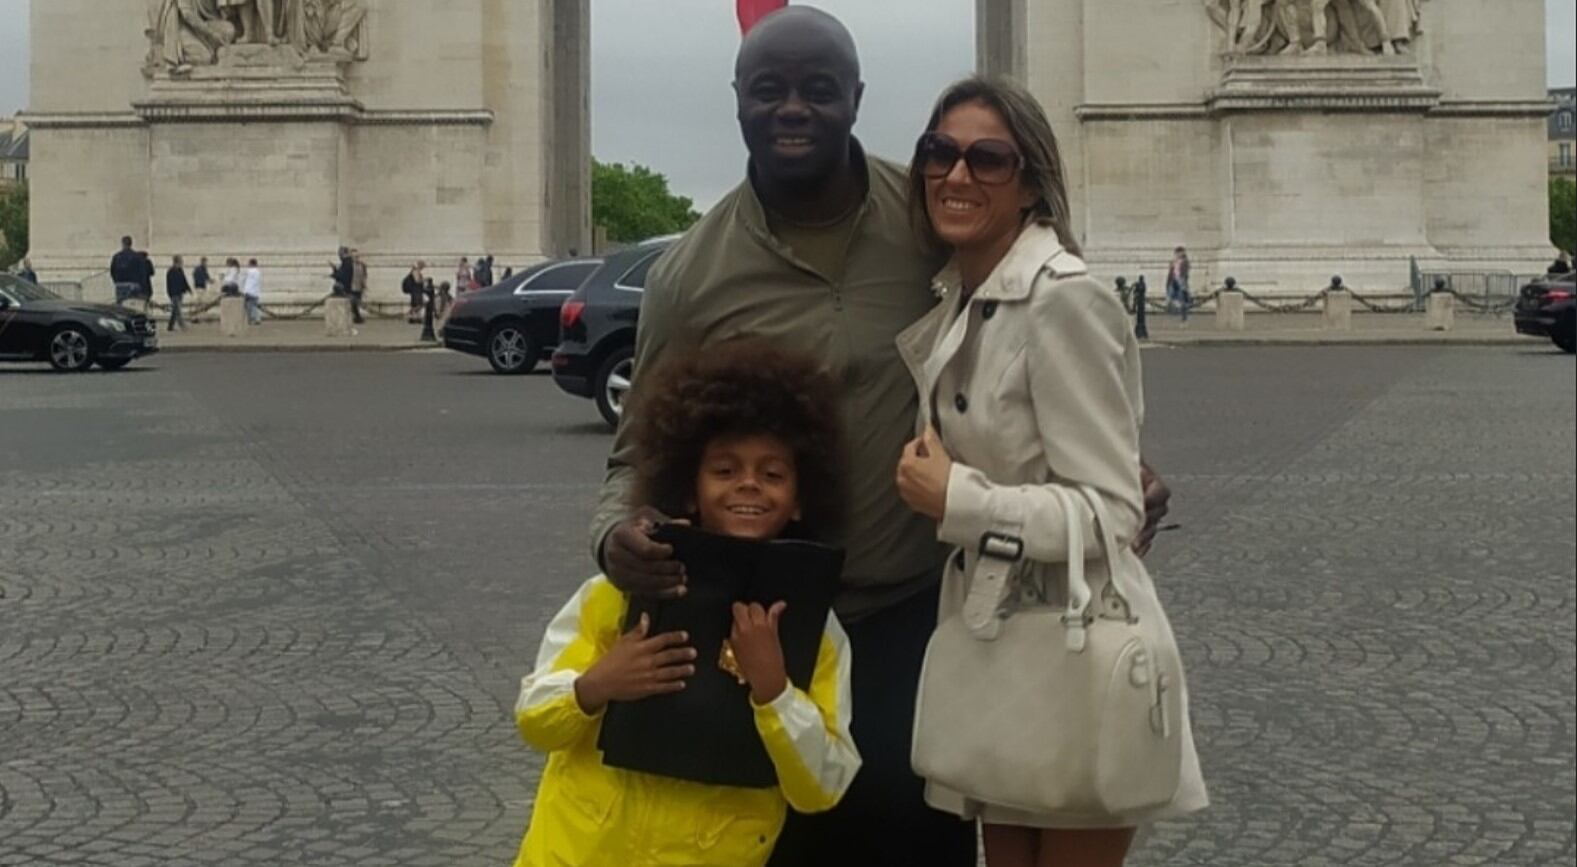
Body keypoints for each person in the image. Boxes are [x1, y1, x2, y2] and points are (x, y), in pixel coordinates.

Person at [589, 9, 1173, 866]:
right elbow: (636, 448)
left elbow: (1030, 332)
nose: (793, 107)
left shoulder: (932, 215)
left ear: (856, 99)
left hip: (915, 609)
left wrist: (1099, 462)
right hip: (768, 611)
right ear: (738, 101)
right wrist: (612, 532)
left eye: (818, 90)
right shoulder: (687, 275)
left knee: (913, 835)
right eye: (770, 90)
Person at [894, 76, 1207, 867]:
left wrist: (956, 498)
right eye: (940, 152)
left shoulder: (1062, 300)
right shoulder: (969, 297)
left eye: (986, 159)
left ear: (1030, 181)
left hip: (1072, 645)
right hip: (1000, 642)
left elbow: (1112, 513)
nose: (957, 175)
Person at [513, 340, 861, 867]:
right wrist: (597, 685)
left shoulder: (817, 630)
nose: (748, 484)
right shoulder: (619, 591)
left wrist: (775, 693)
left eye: (772, 474)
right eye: (724, 470)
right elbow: (533, 719)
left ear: (801, 497)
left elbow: (823, 787)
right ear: (689, 488)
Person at [111, 236, 142, 304]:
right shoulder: (136, 256)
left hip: (120, 284)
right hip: (133, 284)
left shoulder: (116, 256)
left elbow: (112, 270)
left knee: (120, 304)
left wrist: (116, 281)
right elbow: (141, 271)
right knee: (132, 305)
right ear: (131, 244)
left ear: (122, 243)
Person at [166, 255, 192, 331]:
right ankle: (182, 326)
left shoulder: (180, 270)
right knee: (178, 310)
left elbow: (184, 280)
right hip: (174, 293)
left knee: (175, 310)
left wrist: (188, 289)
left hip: (180, 292)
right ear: (177, 261)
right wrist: (170, 293)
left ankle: (170, 326)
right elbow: (169, 283)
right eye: (181, 261)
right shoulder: (171, 271)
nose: (182, 262)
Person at [1167, 246, 1191, 322]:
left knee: (1182, 300)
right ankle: (1173, 311)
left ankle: (1184, 318)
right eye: (1177, 253)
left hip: (1181, 281)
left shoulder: (1185, 261)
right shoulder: (1173, 262)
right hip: (1173, 281)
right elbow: (1170, 273)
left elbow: (1185, 273)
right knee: (1170, 296)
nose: (1177, 254)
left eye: (1179, 253)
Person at [242, 258, 264, 325]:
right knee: (254, 306)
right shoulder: (258, 272)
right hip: (255, 292)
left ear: (251, 264)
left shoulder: (248, 271)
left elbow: (244, 280)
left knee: (248, 306)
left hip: (248, 291)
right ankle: (257, 318)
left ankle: (250, 319)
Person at [350, 248, 368, 324]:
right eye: (354, 256)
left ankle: (356, 316)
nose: (356, 258)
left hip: (359, 286)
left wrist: (364, 284)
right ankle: (357, 317)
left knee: (357, 302)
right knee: (353, 303)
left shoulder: (362, 265)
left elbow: (364, 275)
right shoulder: (349, 265)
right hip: (351, 286)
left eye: (357, 256)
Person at [1132, 274, 1150, 340]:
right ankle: (1140, 331)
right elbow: (1136, 291)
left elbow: (1142, 290)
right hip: (1140, 301)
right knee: (1140, 316)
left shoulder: (1142, 284)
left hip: (1141, 301)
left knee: (1141, 316)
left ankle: (1141, 331)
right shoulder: (1139, 284)